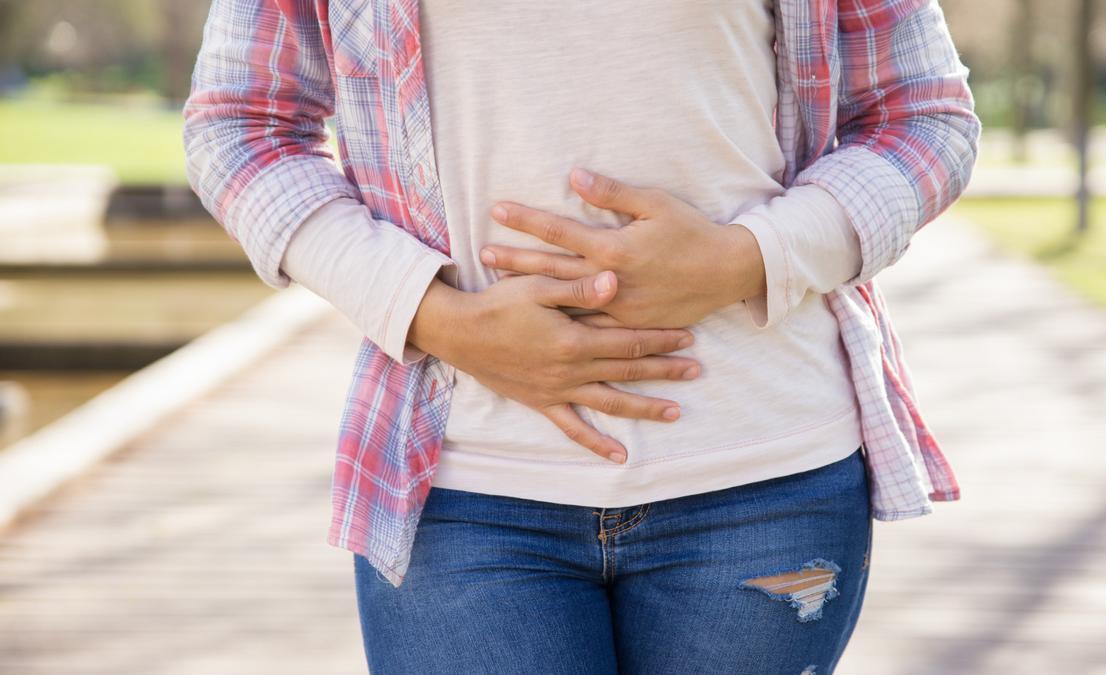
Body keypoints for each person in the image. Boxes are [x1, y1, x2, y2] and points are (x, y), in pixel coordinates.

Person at [183, 0, 979, 671]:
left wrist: (748, 258)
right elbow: (241, 129)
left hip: (762, 482)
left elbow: (923, 117)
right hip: (463, 485)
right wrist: (435, 315)